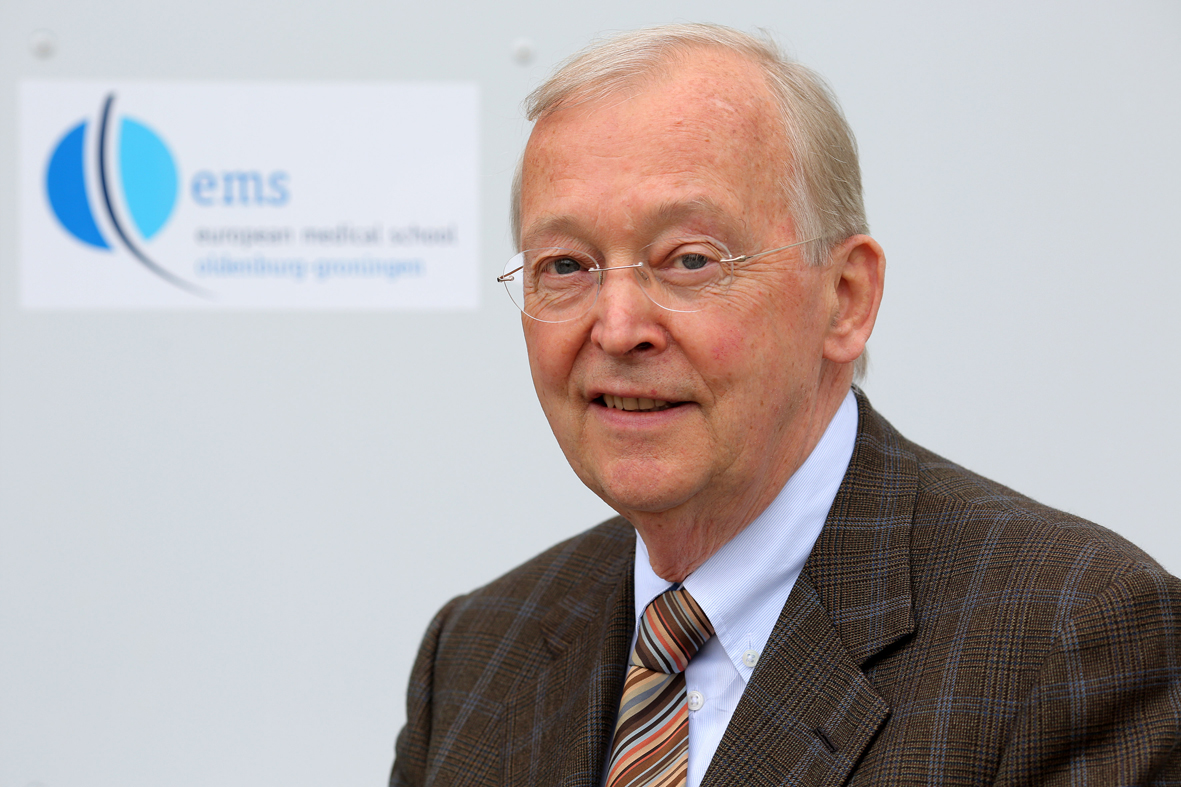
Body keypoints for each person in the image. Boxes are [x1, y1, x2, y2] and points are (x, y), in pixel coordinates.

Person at [390, 23, 1181, 787]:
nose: (618, 327)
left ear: (845, 298)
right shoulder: (473, 657)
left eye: (688, 260)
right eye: (565, 265)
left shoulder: (1069, 634)